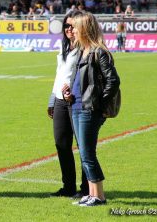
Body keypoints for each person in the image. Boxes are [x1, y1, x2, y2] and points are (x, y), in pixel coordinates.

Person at [63, 11, 120, 207]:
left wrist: (100, 105)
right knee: (84, 153)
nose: (73, 31)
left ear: (85, 30)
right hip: (76, 106)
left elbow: (113, 81)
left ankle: (99, 196)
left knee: (88, 154)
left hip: (89, 109)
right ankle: (92, 194)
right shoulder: (82, 51)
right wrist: (70, 91)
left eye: (76, 27)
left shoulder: (99, 52)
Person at [48, 11, 89, 198]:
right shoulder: (63, 47)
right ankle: (68, 187)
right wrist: (52, 99)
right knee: (61, 143)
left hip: (77, 101)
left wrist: (74, 92)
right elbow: (59, 74)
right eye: (66, 26)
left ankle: (87, 188)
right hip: (59, 100)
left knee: (83, 146)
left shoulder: (86, 48)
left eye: (72, 26)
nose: (69, 30)